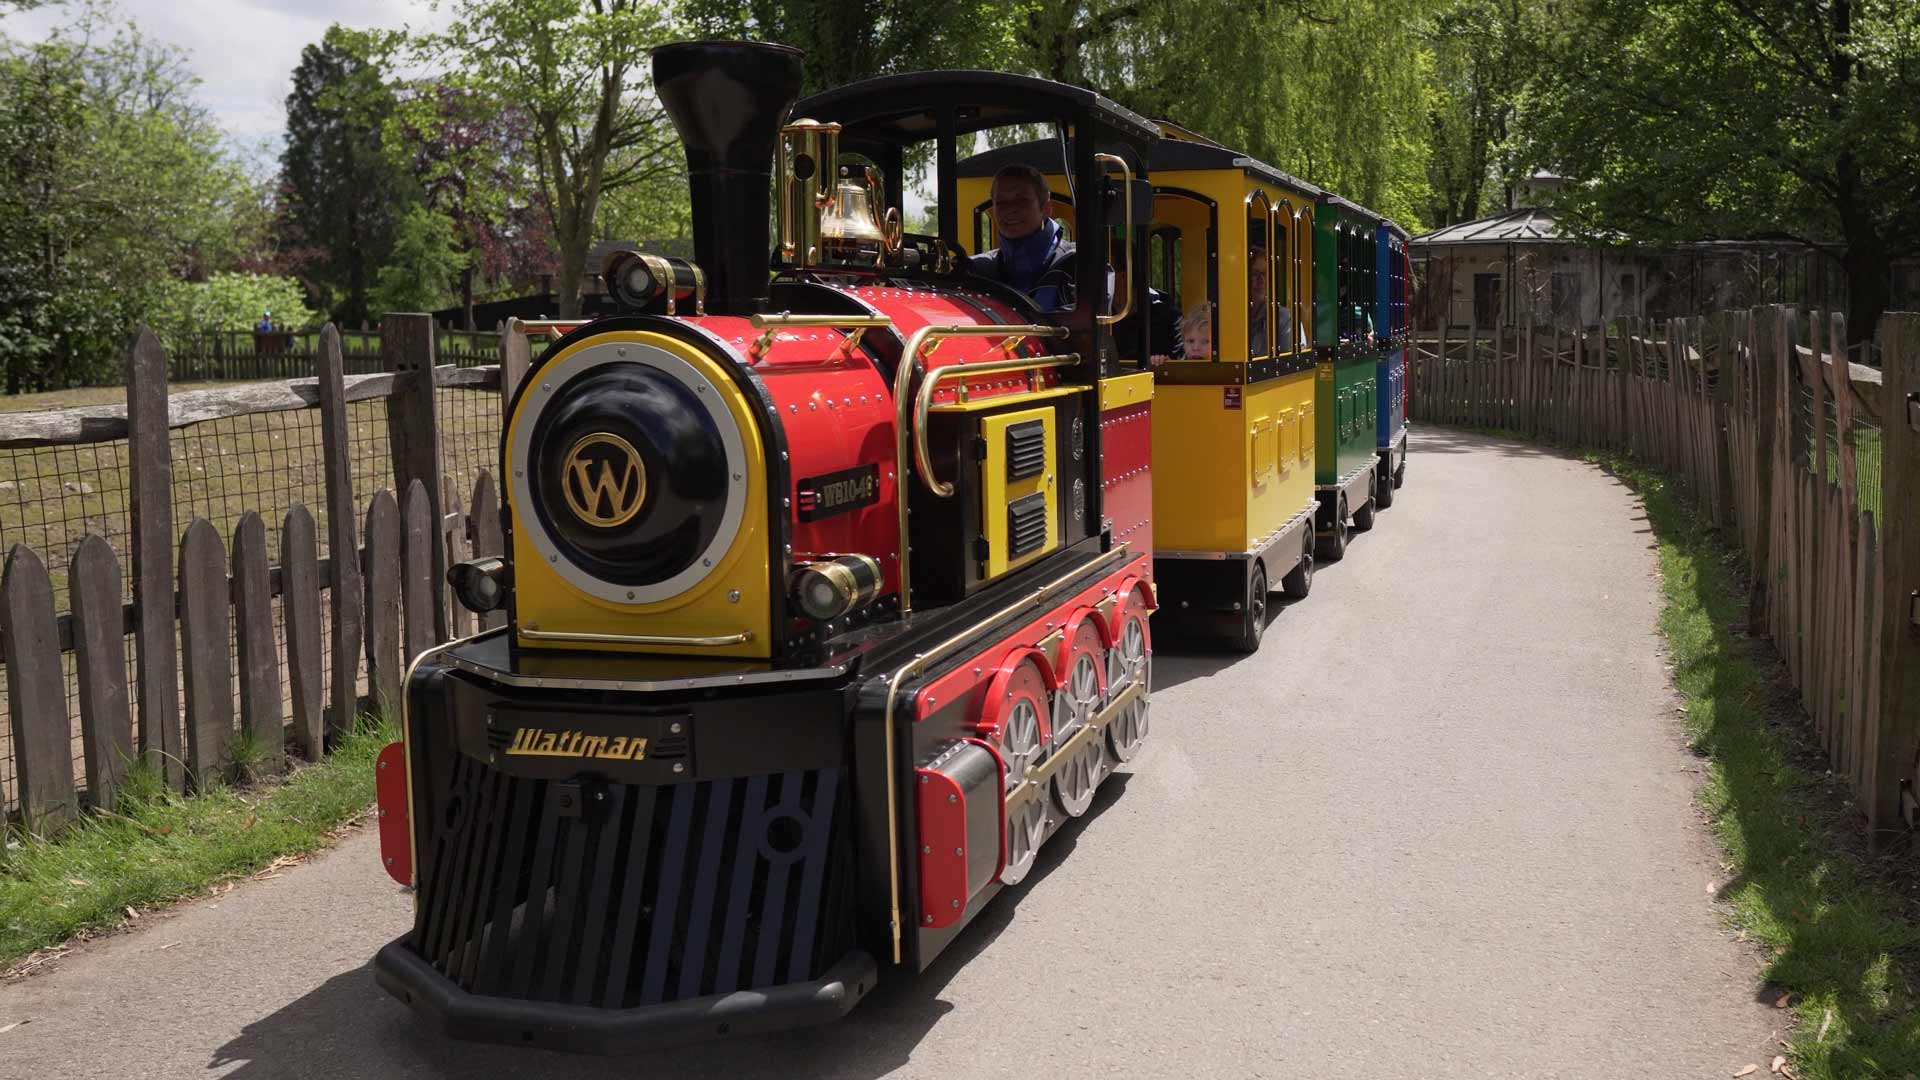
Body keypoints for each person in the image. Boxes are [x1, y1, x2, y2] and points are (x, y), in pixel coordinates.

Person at [967, 163, 1076, 309]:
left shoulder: (1077, 265)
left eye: (1022, 200)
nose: (1010, 209)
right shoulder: (976, 270)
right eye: (1001, 202)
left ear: (1046, 209)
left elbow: (1085, 327)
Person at [1108, 242, 1181, 364]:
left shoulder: (1169, 320)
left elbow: (1180, 366)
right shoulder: (1101, 320)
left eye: (1104, 272)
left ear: (1123, 277)